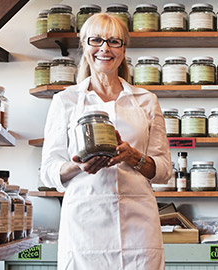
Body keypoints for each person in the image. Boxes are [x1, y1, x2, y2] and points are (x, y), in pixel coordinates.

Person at [40, 13, 172, 270]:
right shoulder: (65, 100)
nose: (105, 48)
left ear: (123, 49)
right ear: (84, 46)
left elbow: (164, 170)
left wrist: (134, 157)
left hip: (138, 223)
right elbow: (48, 171)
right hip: (84, 223)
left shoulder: (146, 100)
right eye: (96, 40)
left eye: (114, 41)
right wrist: (77, 166)